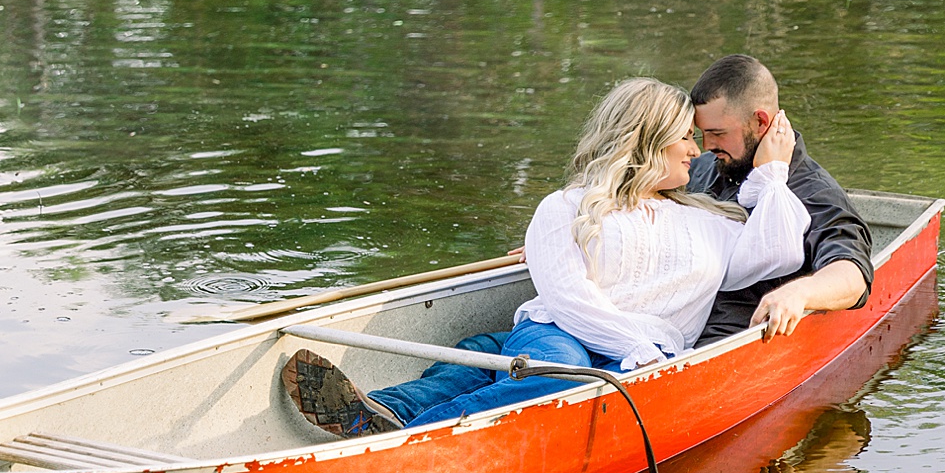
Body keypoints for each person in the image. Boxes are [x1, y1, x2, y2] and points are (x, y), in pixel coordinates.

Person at [283, 77, 812, 437]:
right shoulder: (570, 206)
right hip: (565, 333)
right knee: (559, 373)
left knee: (492, 357)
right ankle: (403, 436)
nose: (696, 150)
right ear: (647, 141)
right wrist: (636, 346)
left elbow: (780, 251)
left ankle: (387, 412)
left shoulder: (710, 223)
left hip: (643, 355)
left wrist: (773, 170)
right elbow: (567, 296)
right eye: (683, 138)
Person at [684, 54, 872, 342]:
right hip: (675, 325)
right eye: (702, 134)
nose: (706, 146)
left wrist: (799, 293)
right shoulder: (706, 166)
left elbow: (853, 275)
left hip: (727, 341)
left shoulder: (814, 191)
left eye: (717, 133)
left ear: (760, 121)